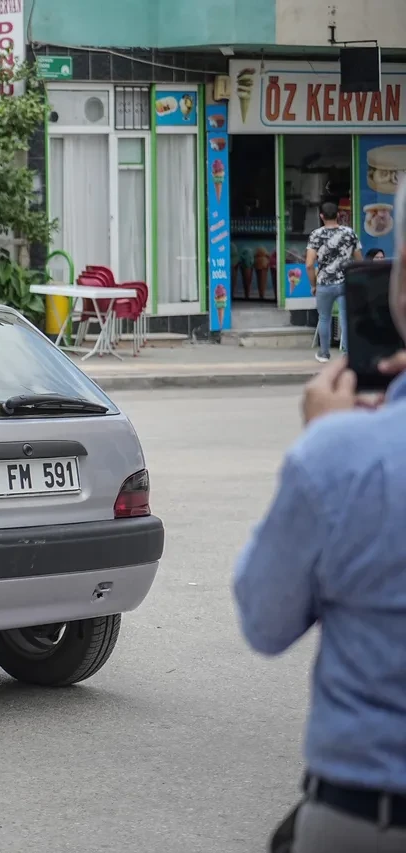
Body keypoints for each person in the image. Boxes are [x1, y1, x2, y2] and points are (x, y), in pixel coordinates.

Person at [234, 182, 406, 852]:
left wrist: (325, 439)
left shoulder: (344, 454)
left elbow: (265, 621)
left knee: (326, 328)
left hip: (368, 814)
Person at [305, 202, 363, 363]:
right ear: (338, 215)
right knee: (346, 318)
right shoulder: (349, 233)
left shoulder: (316, 235)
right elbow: (359, 260)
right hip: (346, 282)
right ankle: (348, 354)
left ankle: (324, 353)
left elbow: (309, 264)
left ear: (321, 216)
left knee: (324, 318)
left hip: (324, 282)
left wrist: (313, 285)